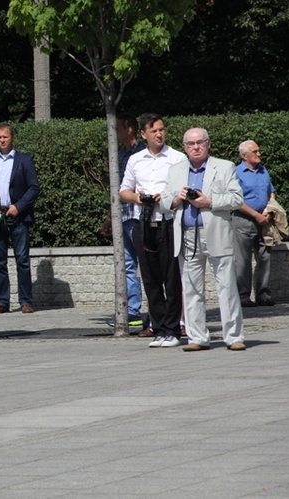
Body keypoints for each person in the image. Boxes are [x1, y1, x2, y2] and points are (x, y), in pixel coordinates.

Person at [161, 128, 245, 351]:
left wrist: (209, 201)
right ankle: (197, 337)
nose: (195, 147)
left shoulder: (225, 166)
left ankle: (234, 336)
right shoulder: (176, 170)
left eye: (200, 143)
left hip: (216, 233)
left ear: (208, 144)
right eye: (190, 144)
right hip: (187, 235)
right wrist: (177, 199)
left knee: (226, 286)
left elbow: (236, 199)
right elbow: (163, 202)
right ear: (184, 147)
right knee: (191, 289)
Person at [119, 113, 186, 348]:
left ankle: (173, 329)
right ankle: (158, 328)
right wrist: (139, 198)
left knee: (171, 277)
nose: (159, 134)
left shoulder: (177, 158)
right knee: (150, 278)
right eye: (154, 131)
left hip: (168, 221)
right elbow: (123, 192)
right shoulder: (136, 160)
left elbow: (185, 188)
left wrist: (168, 197)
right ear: (144, 134)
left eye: (162, 129)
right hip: (143, 223)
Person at [0, 123, 40, 314]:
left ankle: (26, 301)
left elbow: (34, 187)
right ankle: (2, 301)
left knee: (22, 260)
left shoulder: (24, 160)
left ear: (12, 138)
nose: (2, 140)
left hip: (18, 215)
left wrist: (19, 207)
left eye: (5, 137)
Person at [107, 115, 148, 330]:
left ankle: (155, 311)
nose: (114, 134)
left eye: (118, 129)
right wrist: (109, 216)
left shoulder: (142, 154)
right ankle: (132, 310)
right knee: (128, 264)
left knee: (147, 264)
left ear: (130, 129)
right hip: (122, 214)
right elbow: (117, 187)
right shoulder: (120, 155)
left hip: (139, 215)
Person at [233, 140, 276, 307]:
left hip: (264, 220)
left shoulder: (263, 170)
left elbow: (271, 191)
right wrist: (255, 215)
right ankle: (243, 297)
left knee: (265, 257)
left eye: (259, 151)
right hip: (243, 220)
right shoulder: (236, 173)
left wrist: (269, 210)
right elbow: (236, 200)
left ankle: (263, 294)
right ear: (244, 156)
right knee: (242, 260)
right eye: (255, 151)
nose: (259, 154)